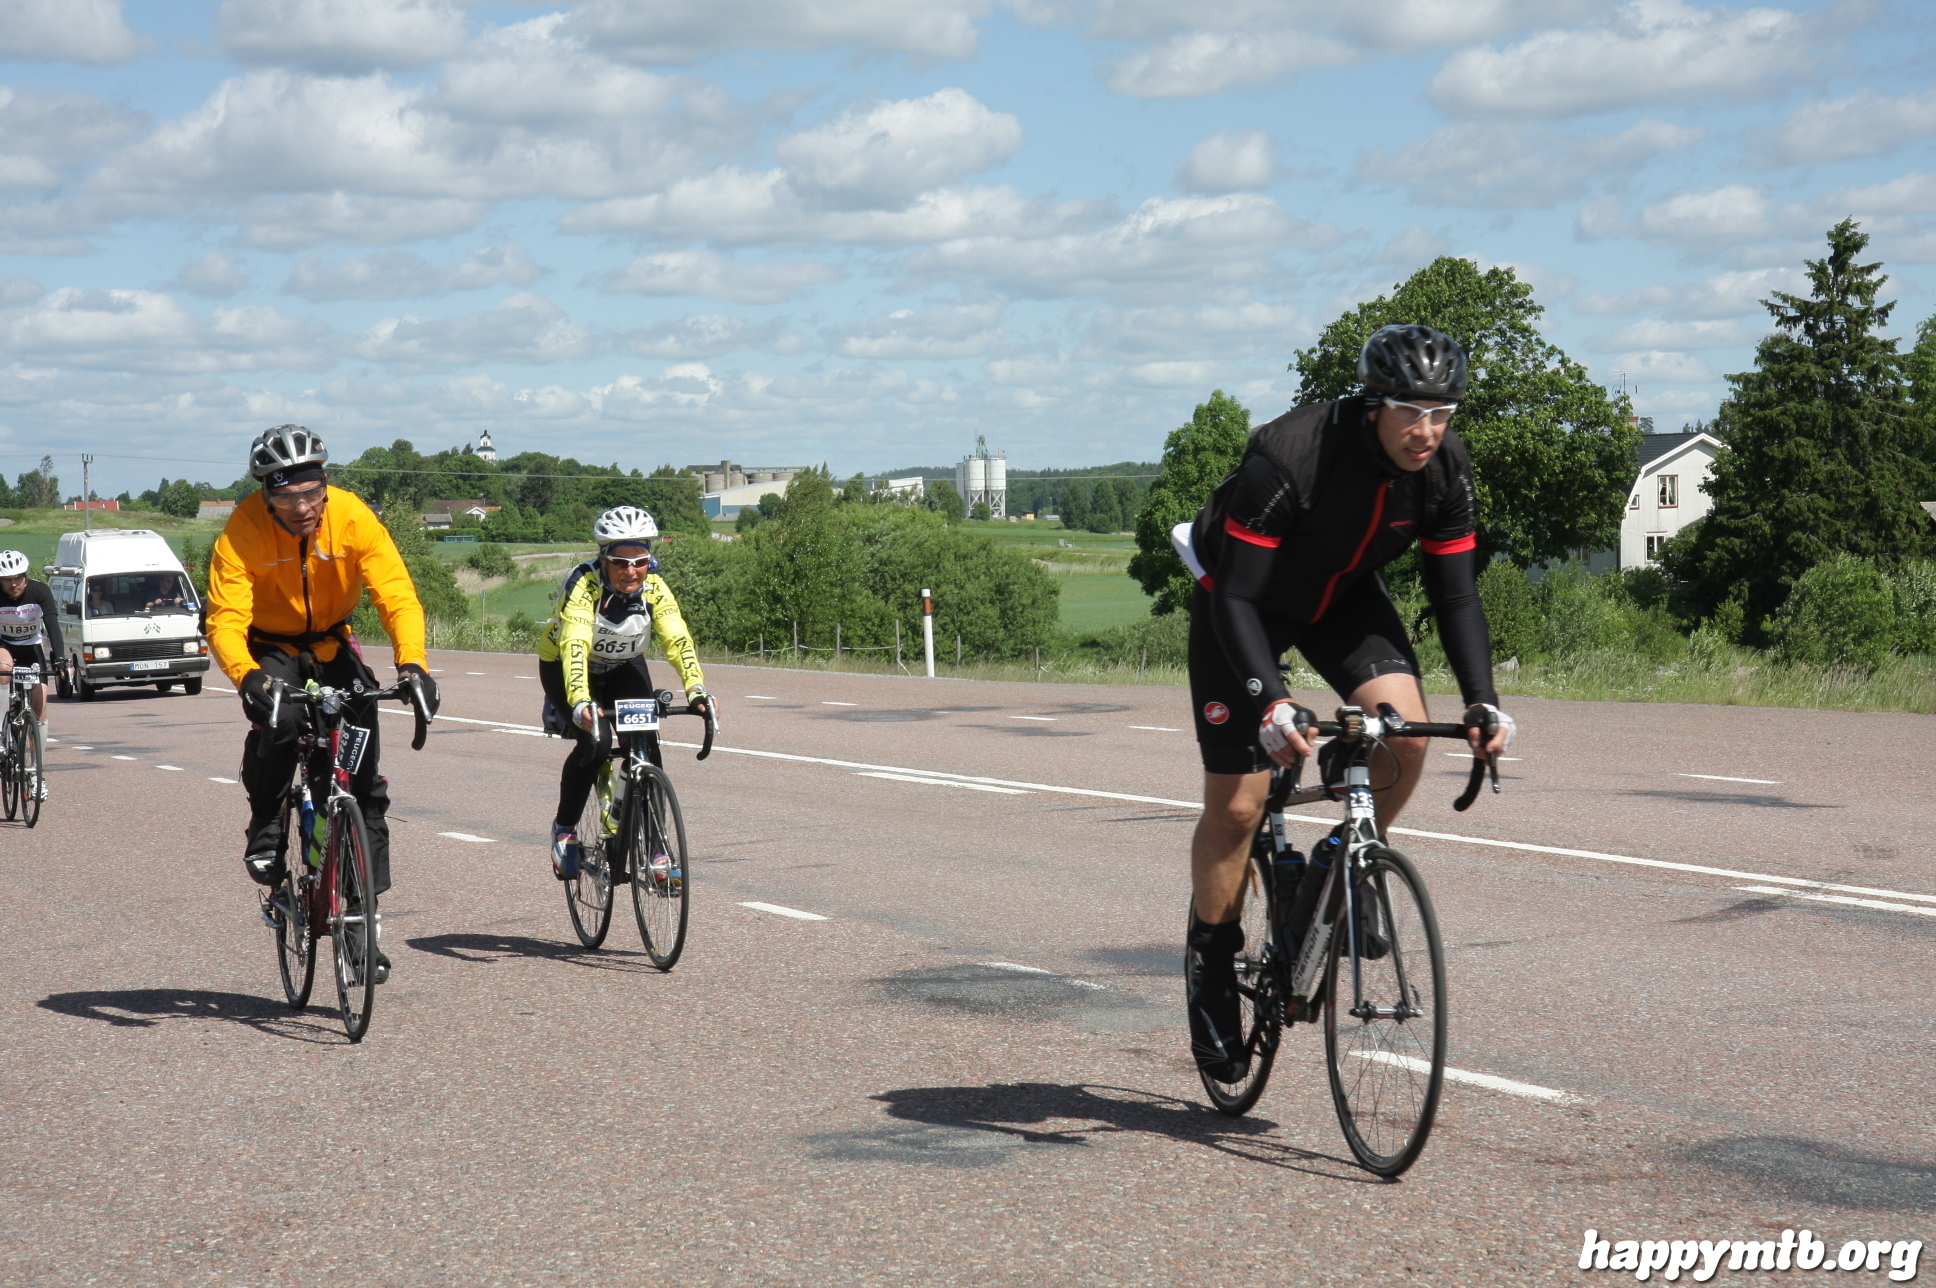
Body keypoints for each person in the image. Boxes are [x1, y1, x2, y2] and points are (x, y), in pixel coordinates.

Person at [1173, 324, 1516, 1082]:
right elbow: (1236, 598)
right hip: (1241, 602)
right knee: (1238, 806)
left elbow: (1456, 596)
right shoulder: (1289, 459)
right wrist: (1273, 702)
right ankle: (1211, 968)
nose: (1427, 430)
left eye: (1443, 412)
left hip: (1341, 598)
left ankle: (1344, 858)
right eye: (1410, 411)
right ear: (1373, 405)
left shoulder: (1444, 469)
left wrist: (1483, 702)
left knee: (1407, 733)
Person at [206, 424, 439, 983]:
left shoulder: (353, 516)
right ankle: (267, 820)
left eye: (312, 492)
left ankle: (360, 920)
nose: (303, 507)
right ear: (267, 494)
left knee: (363, 782)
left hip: (333, 644)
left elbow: (396, 595)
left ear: (325, 483)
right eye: (287, 497)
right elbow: (225, 620)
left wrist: (413, 665)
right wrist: (246, 675)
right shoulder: (242, 531)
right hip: (269, 648)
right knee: (281, 721)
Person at [535, 505, 713, 879]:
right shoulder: (583, 584)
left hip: (623, 666)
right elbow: (575, 644)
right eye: (620, 562)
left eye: (640, 562)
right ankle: (564, 830)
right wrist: (580, 701)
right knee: (596, 743)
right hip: (568, 666)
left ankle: (656, 852)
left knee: (646, 744)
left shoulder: (655, 587)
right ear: (604, 558)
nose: (630, 571)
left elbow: (677, 638)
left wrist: (696, 689)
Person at [0, 549, 62, 800]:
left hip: (31, 649)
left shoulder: (39, 592)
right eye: (7, 579)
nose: (13, 584)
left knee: (40, 706)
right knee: (3, 668)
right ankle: (1, 736)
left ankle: (36, 773)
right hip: (4, 646)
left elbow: (53, 625)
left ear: (25, 576)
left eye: (18, 578)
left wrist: (60, 659)